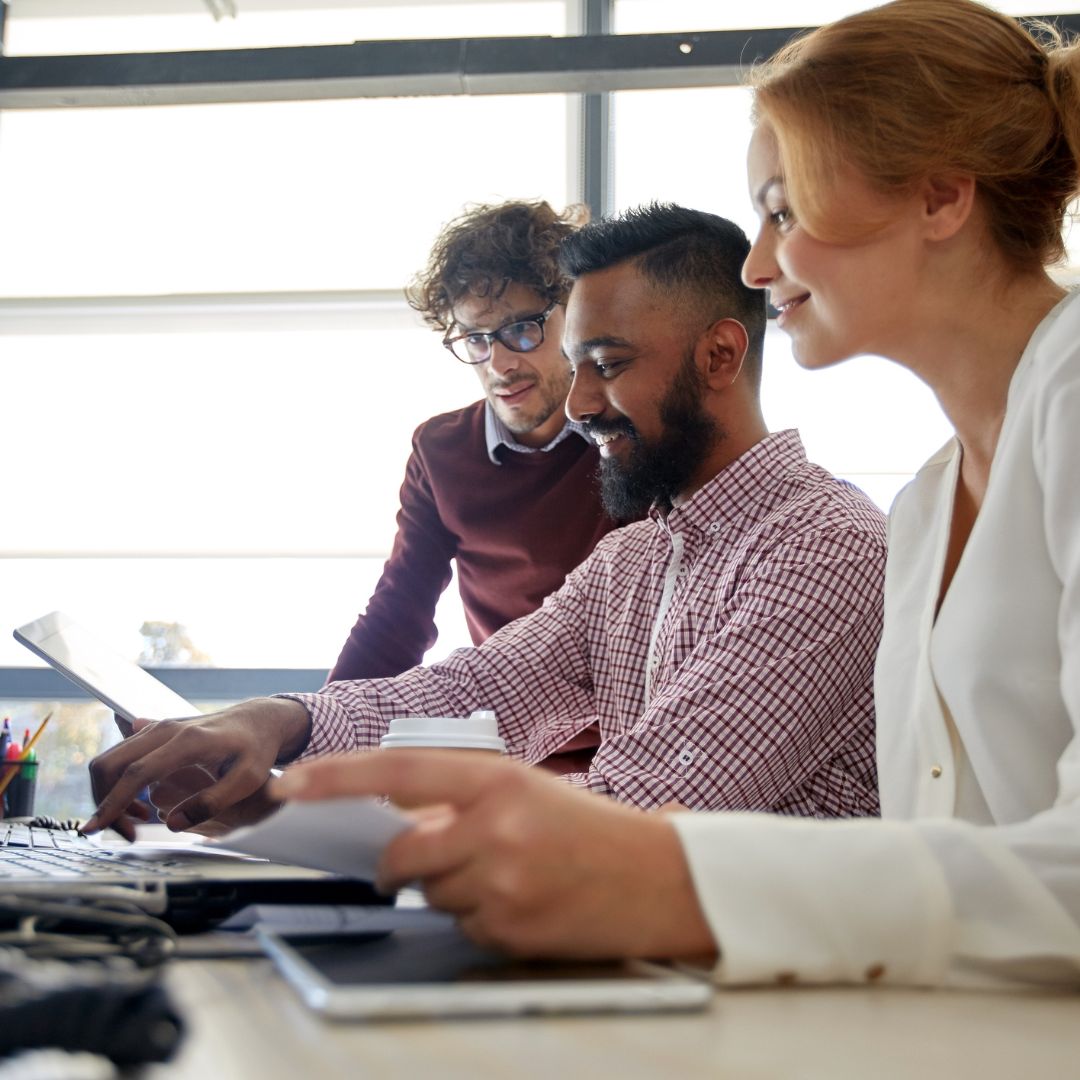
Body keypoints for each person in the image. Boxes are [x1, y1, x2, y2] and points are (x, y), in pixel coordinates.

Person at [267, 0, 1080, 988]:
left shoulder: (998, 448)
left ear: (942, 197)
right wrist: (285, 727)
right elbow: (476, 686)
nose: (757, 262)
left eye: (783, 207)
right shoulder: (927, 503)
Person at [84, 204, 887, 837]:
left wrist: (294, 807)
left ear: (719, 357)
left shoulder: (828, 548)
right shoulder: (634, 561)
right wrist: (278, 725)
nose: (577, 404)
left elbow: (642, 806)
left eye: (605, 367)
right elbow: (476, 692)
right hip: (652, 969)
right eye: (578, 368)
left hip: (790, 1006)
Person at [329, 199, 622, 683]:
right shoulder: (440, 451)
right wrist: (312, 733)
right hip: (511, 741)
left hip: (629, 735)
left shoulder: (627, 437)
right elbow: (397, 615)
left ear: (575, 317)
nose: (499, 364)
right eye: (477, 339)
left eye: (522, 330)